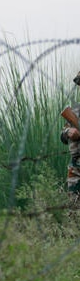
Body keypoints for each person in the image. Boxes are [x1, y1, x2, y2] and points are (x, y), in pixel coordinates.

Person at [61, 72, 80, 204]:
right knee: (73, 212)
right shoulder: (75, 111)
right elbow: (62, 136)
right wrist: (69, 132)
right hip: (76, 170)